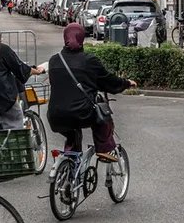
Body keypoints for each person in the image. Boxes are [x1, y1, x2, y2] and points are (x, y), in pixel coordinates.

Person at [46, 22, 136, 163]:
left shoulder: (54, 60)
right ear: (82, 38)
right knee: (101, 110)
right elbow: (108, 81)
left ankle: (69, 163)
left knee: (72, 134)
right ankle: (104, 148)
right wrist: (126, 83)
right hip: (82, 113)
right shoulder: (89, 61)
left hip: (55, 115)